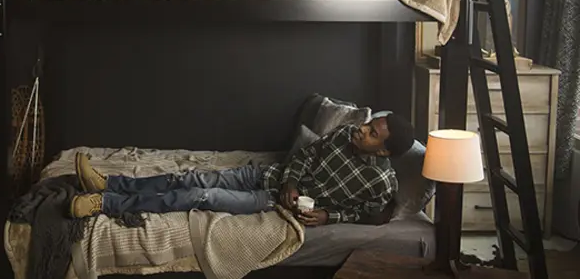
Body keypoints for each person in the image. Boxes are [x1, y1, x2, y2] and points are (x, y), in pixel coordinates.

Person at [69, 111, 415, 226]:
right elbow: (305, 156)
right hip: (267, 177)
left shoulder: (381, 184)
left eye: (371, 133)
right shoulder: (343, 134)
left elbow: (365, 215)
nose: (362, 129)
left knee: (199, 194)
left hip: (269, 202)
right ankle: (109, 183)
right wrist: (292, 179)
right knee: (189, 175)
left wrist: (328, 216)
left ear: (383, 151)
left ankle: (106, 204)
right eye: (369, 123)